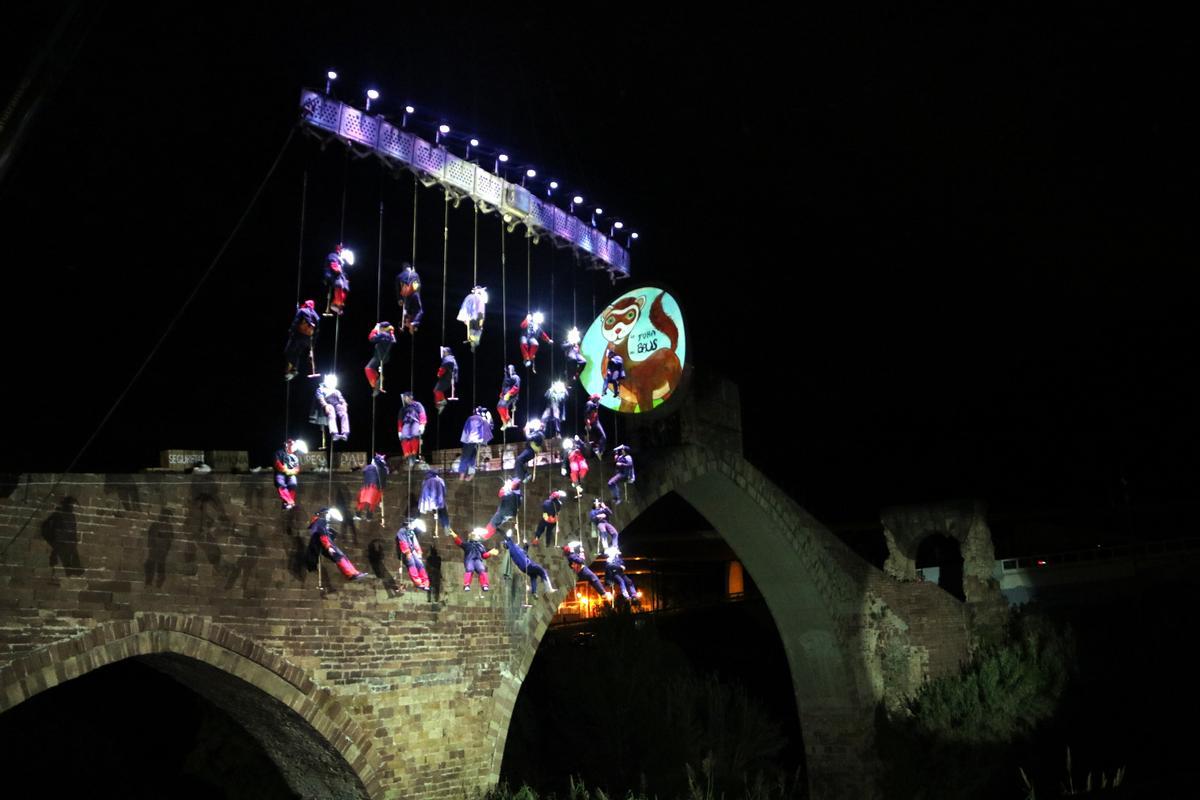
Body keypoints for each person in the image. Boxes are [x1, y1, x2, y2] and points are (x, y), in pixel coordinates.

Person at [308, 507, 370, 580]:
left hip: (323, 546)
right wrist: (329, 547)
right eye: (327, 514)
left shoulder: (317, 523)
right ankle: (351, 574)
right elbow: (323, 535)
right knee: (339, 557)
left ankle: (353, 573)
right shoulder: (320, 521)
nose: (328, 516)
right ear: (323, 514)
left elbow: (322, 534)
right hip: (326, 545)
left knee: (340, 557)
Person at [502, 532, 555, 599]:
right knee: (542, 570)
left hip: (524, 567)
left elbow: (525, 553)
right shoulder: (512, 547)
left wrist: (526, 544)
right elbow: (506, 537)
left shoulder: (515, 549)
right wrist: (497, 528)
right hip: (527, 565)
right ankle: (549, 588)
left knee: (533, 576)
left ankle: (534, 592)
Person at [284, 300, 320, 380]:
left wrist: (291, 331)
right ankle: (294, 370)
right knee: (297, 353)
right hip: (307, 339)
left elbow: (296, 322)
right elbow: (316, 331)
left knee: (288, 352)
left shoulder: (301, 311)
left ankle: (290, 369)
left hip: (298, 336)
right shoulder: (316, 316)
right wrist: (312, 344)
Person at [394, 518, 430, 591]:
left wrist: (419, 552)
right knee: (411, 564)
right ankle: (417, 582)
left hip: (412, 550)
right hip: (405, 552)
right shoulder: (402, 531)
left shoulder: (411, 532)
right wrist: (407, 552)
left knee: (420, 564)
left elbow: (415, 542)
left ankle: (425, 581)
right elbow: (402, 542)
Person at [311, 374, 350, 442]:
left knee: (344, 414)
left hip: (336, 404)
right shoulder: (320, 389)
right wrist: (325, 405)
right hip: (328, 404)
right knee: (332, 414)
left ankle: (345, 433)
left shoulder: (336, 391)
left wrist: (344, 404)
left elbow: (341, 399)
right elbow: (321, 399)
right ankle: (334, 433)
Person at [458, 406, 493, 481]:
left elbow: (466, 429)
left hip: (469, 440)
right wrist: (484, 441)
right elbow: (488, 428)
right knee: (472, 459)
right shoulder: (483, 419)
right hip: (477, 442)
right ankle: (471, 474)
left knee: (465, 457)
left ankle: (462, 475)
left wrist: (464, 440)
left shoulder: (470, 418)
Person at [273, 438, 308, 509]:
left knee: (293, 484)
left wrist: (291, 471)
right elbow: (277, 463)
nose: (294, 447)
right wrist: (284, 469)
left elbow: (297, 468)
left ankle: (287, 503)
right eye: (292, 445)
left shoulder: (294, 457)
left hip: (290, 474)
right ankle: (290, 502)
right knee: (281, 484)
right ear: (287, 445)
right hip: (280, 473)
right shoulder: (279, 452)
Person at [354, 453, 389, 522]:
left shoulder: (369, 467)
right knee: (373, 502)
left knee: (362, 501)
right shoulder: (384, 469)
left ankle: (358, 514)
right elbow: (384, 479)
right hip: (376, 488)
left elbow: (364, 471)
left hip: (367, 487)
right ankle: (368, 516)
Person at [418, 468, 453, 536]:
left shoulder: (426, 481)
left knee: (435, 512)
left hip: (429, 503)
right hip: (439, 501)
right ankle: (446, 527)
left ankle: (435, 518)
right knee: (443, 512)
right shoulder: (440, 480)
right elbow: (444, 491)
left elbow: (424, 492)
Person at [364, 321, 395, 396]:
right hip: (384, 356)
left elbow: (371, 338)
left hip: (379, 356)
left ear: (383, 328)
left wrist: (375, 329)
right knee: (371, 369)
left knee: (368, 368)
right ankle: (378, 380)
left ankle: (377, 384)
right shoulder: (391, 334)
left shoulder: (383, 334)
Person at [323, 243, 354, 316]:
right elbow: (334, 266)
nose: (342, 249)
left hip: (340, 275)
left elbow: (349, 263)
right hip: (332, 274)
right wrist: (338, 269)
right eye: (340, 247)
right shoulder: (332, 255)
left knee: (346, 287)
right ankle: (337, 304)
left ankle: (335, 303)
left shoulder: (341, 257)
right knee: (339, 284)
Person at [397, 392, 427, 465]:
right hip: (406, 423)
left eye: (406, 397)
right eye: (404, 398)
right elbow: (400, 420)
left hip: (415, 422)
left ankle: (413, 453)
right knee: (404, 437)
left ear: (410, 397)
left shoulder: (417, 405)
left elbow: (422, 414)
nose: (405, 399)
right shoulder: (403, 408)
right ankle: (407, 455)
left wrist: (422, 425)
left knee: (414, 435)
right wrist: (400, 431)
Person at [456, 285, 488, 350]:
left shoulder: (481, 297)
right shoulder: (470, 296)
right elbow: (465, 306)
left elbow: (485, 300)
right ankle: (472, 340)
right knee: (471, 327)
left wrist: (482, 291)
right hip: (472, 314)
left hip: (478, 314)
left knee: (478, 328)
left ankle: (474, 341)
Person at [395, 262, 423, 333]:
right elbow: (419, 286)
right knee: (419, 311)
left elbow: (398, 288)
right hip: (414, 293)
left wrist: (399, 299)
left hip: (406, 296)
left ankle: (406, 323)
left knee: (407, 312)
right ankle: (414, 324)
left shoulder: (399, 276)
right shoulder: (415, 274)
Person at [433, 346, 459, 414]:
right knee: (438, 390)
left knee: (437, 390)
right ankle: (440, 403)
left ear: (447, 352)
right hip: (450, 378)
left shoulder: (448, 359)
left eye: (444, 352)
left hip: (448, 378)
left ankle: (441, 402)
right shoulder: (452, 358)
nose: (443, 354)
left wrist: (439, 374)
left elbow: (443, 368)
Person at [496, 365, 521, 429]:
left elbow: (516, 387)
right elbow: (505, 386)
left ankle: (507, 420)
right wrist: (502, 393)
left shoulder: (515, 377)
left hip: (512, 395)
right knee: (499, 406)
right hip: (505, 395)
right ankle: (505, 421)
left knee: (502, 405)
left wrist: (509, 393)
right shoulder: (507, 378)